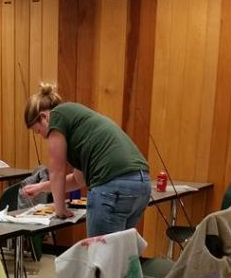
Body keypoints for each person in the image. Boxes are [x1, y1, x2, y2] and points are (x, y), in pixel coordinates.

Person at [23, 83, 151, 237]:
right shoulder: (79, 122)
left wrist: (60, 210)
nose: (44, 137)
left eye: (39, 131)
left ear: (44, 117)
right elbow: (78, 180)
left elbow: (56, 171)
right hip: (140, 184)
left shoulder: (56, 117)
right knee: (121, 254)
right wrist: (41, 187)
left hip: (111, 186)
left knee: (101, 255)